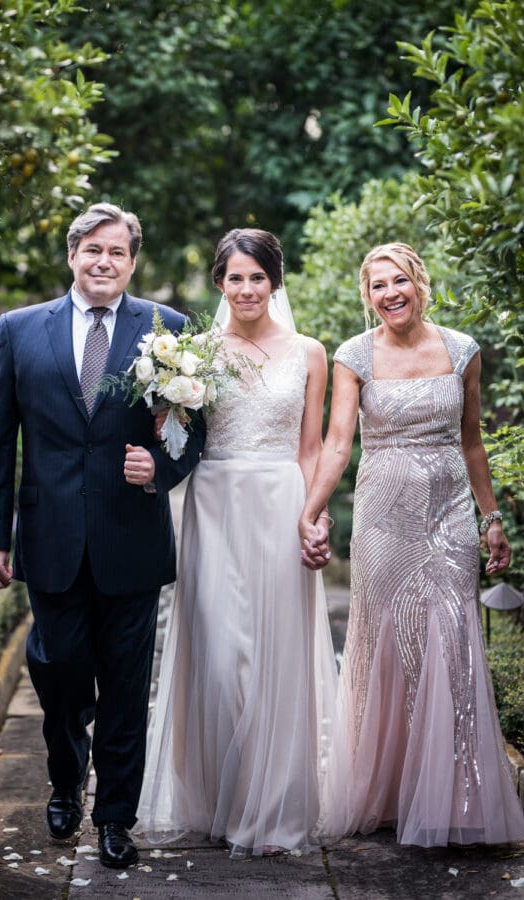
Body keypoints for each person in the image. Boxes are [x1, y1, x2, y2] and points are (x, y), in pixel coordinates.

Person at [0, 203, 205, 868]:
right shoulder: (20, 331)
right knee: (61, 676)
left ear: (132, 262)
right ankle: (65, 780)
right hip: (49, 540)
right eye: (92, 250)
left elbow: (194, 431)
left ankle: (114, 818)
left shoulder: (169, 329)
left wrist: (159, 467)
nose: (104, 262)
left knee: (127, 687)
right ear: (73, 255)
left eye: (118, 253)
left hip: (131, 539)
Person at [299, 242, 524, 847]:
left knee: (450, 639)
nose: (390, 293)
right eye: (378, 286)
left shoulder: (462, 351)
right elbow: (339, 443)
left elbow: (473, 442)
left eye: (399, 281)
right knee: (386, 644)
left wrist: (491, 517)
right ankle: (388, 791)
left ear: (419, 283)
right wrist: (312, 510)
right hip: (382, 518)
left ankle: (455, 794)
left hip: (449, 516)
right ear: (367, 296)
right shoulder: (354, 357)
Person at [136, 228, 338, 858]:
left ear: (274, 282)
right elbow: (173, 438)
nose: (246, 288)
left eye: (257, 277)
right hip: (215, 504)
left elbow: (312, 446)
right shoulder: (191, 353)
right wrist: (166, 415)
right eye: (234, 277)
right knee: (222, 658)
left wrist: (313, 516)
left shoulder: (310, 352)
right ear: (219, 283)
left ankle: (271, 811)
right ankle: (217, 796)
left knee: (276, 657)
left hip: (280, 502)